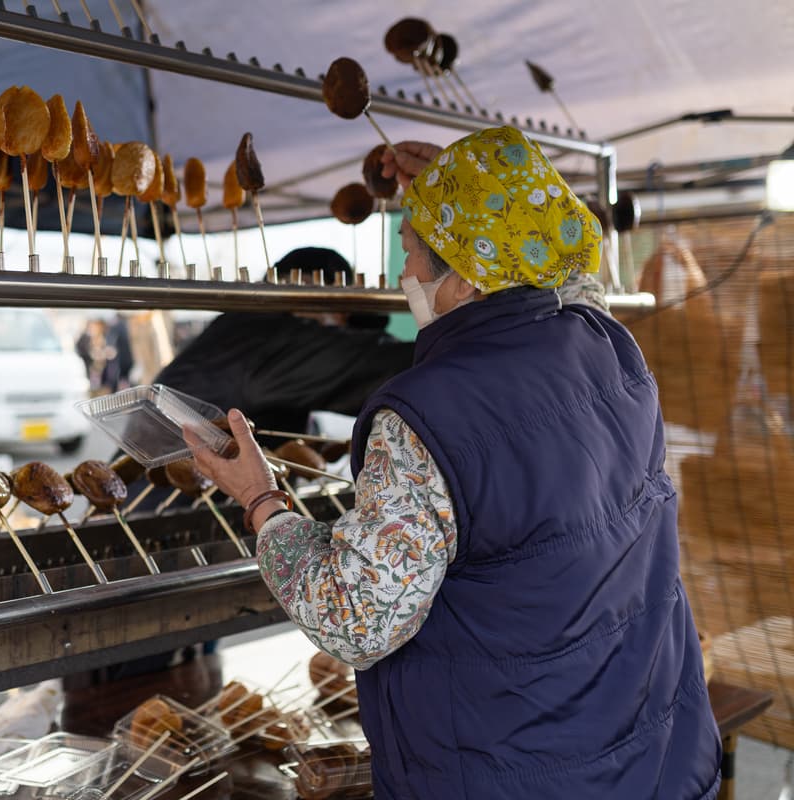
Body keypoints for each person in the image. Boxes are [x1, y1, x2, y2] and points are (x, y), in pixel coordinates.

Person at [186, 127, 721, 798]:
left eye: (411, 252)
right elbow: (563, 257)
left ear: (464, 276)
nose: (405, 273)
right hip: (646, 751)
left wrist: (262, 501)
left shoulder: (427, 414)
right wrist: (469, 188)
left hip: (506, 772)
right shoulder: (608, 345)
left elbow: (355, 618)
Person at [154, 247, 416, 447]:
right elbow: (377, 365)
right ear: (302, 290)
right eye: (339, 316)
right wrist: (451, 342)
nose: (340, 331)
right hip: (161, 503)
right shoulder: (269, 338)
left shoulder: (238, 328)